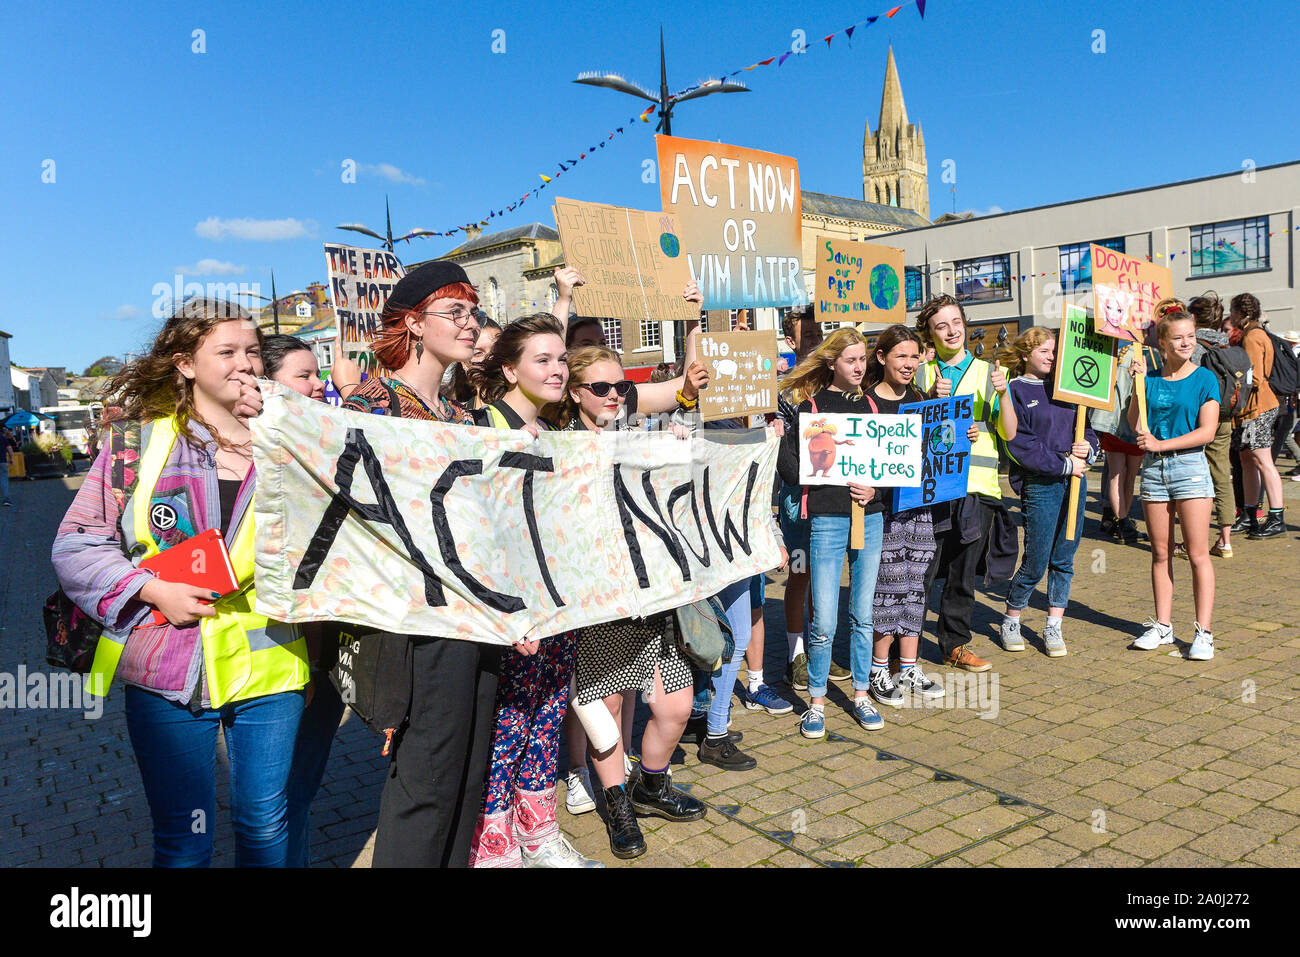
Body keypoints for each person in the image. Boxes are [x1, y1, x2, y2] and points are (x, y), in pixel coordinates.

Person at [52, 299, 308, 867]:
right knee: (184, 839)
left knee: (265, 823)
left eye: (252, 352)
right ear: (185, 363)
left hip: (270, 660)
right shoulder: (136, 445)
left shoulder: (288, 443)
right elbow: (77, 542)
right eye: (226, 352)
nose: (245, 364)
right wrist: (149, 590)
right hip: (168, 665)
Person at [342, 260, 504, 868]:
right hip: (417, 624)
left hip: (478, 619)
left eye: (474, 312)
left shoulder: (464, 418)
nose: (471, 325)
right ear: (413, 322)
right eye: (455, 312)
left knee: (467, 780)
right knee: (427, 783)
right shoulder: (372, 404)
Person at [557, 345, 705, 859]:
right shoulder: (560, 447)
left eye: (621, 387)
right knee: (608, 710)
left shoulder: (642, 436)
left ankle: (651, 785)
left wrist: (680, 447)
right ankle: (617, 805)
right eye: (601, 388)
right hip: (599, 604)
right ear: (575, 393)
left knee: (675, 707)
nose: (615, 396)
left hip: (655, 598)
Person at [465, 313, 600, 868]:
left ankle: (538, 833)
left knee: (545, 721)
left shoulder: (555, 434)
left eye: (561, 358)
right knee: (506, 728)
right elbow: (473, 532)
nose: (558, 369)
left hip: (555, 612)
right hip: (509, 616)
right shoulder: (480, 426)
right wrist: (508, 610)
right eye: (542, 359)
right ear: (509, 367)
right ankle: (492, 847)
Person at [777, 328, 887, 737]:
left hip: (869, 516)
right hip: (826, 518)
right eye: (851, 360)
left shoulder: (876, 406)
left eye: (863, 359)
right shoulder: (812, 407)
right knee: (823, 616)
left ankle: (860, 694)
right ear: (832, 364)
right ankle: (817, 701)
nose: (859, 367)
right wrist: (791, 442)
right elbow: (789, 469)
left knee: (862, 613)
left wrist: (877, 488)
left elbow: (895, 463)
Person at [260, 335, 340, 868]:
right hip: (285, 658)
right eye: (305, 375)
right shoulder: (264, 461)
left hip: (326, 652)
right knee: (277, 801)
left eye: (320, 374)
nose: (320, 385)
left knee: (298, 794)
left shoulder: (325, 447)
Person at [913, 295, 1018, 674]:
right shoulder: (922, 374)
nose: (952, 331)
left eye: (956, 322)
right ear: (930, 334)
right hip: (930, 489)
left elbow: (1008, 431)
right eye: (941, 326)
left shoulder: (989, 373)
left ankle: (954, 644)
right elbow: (907, 431)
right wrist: (928, 400)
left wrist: (1003, 395)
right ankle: (901, 649)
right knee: (921, 571)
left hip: (977, 487)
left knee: (961, 573)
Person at [996, 327, 1099, 658]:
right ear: (1026, 353)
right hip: (1041, 484)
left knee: (1064, 556)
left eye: (1055, 352)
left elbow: (1088, 430)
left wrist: (1089, 448)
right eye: (1044, 351)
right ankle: (1012, 617)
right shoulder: (1015, 389)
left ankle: (1054, 624)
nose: (1052, 358)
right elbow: (1020, 443)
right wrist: (1063, 464)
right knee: (1037, 559)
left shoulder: (1068, 388)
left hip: (1075, 483)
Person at [1129, 300, 1219, 660]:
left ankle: (1203, 633)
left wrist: (1161, 443)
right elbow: (1136, 425)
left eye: (1191, 337)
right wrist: (1135, 383)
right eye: (1178, 338)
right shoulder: (1149, 379)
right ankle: (1163, 627)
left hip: (1190, 469)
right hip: (1154, 470)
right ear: (1162, 344)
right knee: (1160, 552)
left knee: (1197, 554)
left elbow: (1207, 432)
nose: (1186, 343)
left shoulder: (1204, 378)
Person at [863, 325, 947, 704]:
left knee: (916, 587)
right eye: (901, 356)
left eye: (915, 356)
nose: (909, 363)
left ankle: (909, 666)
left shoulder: (919, 400)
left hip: (919, 508)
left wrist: (961, 435)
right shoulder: (864, 404)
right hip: (883, 513)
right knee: (888, 588)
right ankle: (879, 668)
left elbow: (938, 449)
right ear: (881, 358)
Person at [776, 307, 849, 691]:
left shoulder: (837, 381)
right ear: (791, 342)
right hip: (797, 500)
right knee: (801, 574)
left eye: (821, 334)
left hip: (833, 497)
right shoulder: (785, 390)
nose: (817, 342)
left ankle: (821, 650)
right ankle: (795, 654)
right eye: (808, 338)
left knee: (826, 576)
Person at [1223, 294, 1286, 538]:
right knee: (1248, 459)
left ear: (1240, 313)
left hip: (1257, 407)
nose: (1231, 316)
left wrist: (1234, 379)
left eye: (1233, 311)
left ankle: (1276, 516)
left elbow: (1255, 378)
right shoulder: (1259, 333)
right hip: (1257, 407)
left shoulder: (1252, 337)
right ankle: (1250, 513)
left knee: (1261, 459)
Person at [1186, 293, 1236, 557]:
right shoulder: (1226, 344)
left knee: (1196, 477)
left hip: (1200, 417)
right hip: (1225, 416)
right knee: (1221, 473)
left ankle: (1193, 540)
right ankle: (1225, 540)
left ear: (1193, 317)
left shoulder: (1194, 346)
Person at [441, 314, 501, 407]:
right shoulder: (461, 416)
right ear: (464, 363)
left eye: (497, 349)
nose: (490, 358)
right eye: (478, 353)